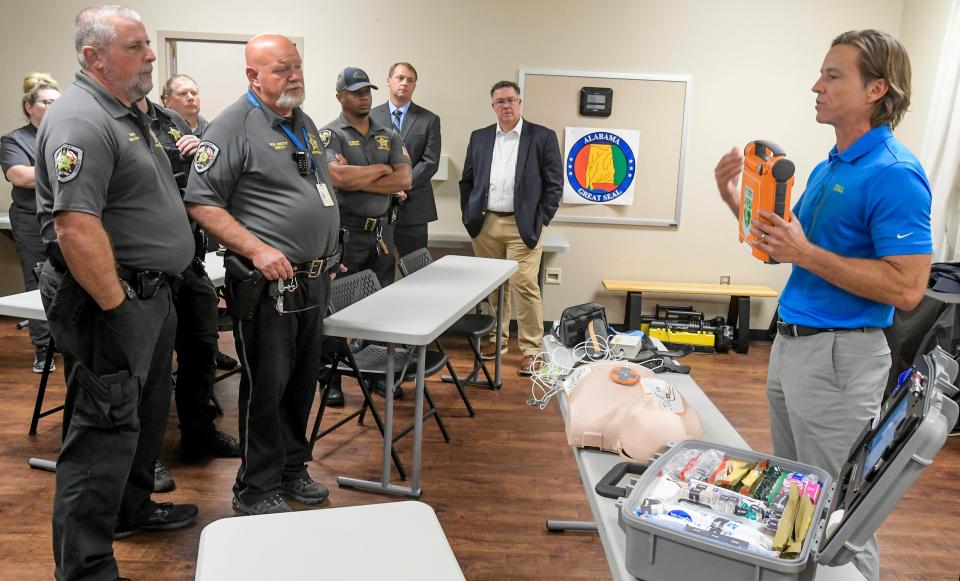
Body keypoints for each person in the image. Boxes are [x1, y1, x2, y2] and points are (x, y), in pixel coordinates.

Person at [713, 30, 931, 581]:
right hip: (792, 347)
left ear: (877, 89)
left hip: (841, 360)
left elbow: (907, 288)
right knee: (798, 495)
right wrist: (735, 199)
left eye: (833, 76)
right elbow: (777, 250)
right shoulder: (830, 166)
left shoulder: (894, 174)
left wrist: (806, 252)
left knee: (840, 515)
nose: (817, 85)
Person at [35, 6, 199, 580]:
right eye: (136, 47)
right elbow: (74, 226)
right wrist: (117, 308)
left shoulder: (131, 112)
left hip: (148, 295)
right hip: (111, 301)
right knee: (101, 435)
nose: (151, 55)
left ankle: (131, 510)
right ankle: (84, 570)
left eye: (148, 45)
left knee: (143, 419)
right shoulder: (82, 119)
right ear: (94, 57)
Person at [185, 33, 341, 516]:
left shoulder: (303, 120)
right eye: (280, 69)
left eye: (296, 66)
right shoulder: (235, 125)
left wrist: (328, 255)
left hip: (312, 279)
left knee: (301, 381)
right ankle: (255, 487)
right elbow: (201, 202)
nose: (293, 76)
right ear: (252, 75)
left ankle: (293, 469)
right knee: (267, 387)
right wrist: (256, 250)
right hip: (268, 284)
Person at [136, 96, 241, 495]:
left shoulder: (173, 120)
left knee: (201, 348)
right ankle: (146, 455)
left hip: (188, 260)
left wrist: (197, 151)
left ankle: (199, 432)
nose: (146, 56)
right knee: (154, 368)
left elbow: (201, 181)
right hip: (146, 266)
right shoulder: (112, 121)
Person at [459, 80, 563, 375]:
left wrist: (541, 218)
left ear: (520, 103)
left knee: (525, 286)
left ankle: (532, 349)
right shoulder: (479, 137)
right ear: (492, 106)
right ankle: (497, 339)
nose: (506, 105)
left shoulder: (541, 137)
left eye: (511, 100)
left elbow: (554, 184)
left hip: (523, 225)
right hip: (486, 223)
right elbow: (467, 181)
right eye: (500, 101)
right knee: (493, 287)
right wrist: (469, 215)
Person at [322, 66, 412, 405]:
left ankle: (376, 373)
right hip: (347, 236)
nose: (364, 96)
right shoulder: (329, 135)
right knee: (335, 310)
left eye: (367, 90)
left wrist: (362, 175)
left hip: (382, 235)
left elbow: (405, 180)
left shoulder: (388, 133)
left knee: (381, 305)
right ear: (340, 96)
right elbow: (339, 179)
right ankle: (329, 378)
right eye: (356, 91)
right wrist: (383, 168)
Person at [1, 73, 60, 373]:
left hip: (65, 217)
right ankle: (42, 347)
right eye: (47, 102)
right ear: (29, 106)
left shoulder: (67, 133)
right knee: (36, 281)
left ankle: (64, 339)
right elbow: (21, 177)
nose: (53, 107)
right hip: (30, 219)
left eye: (57, 103)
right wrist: (69, 168)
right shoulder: (15, 140)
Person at [369, 62, 441, 258]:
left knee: (417, 271)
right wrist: (388, 186)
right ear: (388, 81)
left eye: (410, 80)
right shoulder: (370, 117)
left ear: (414, 86)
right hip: (378, 207)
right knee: (380, 270)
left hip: (414, 207)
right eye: (400, 78)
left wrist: (402, 184)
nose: (404, 83)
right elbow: (365, 159)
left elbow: (430, 162)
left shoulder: (429, 119)